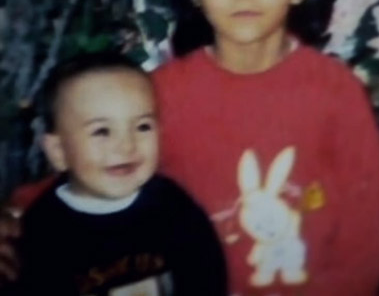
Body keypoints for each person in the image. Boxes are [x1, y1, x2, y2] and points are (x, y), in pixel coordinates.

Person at [0, 0, 379, 296]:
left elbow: (365, 246)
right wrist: (16, 212)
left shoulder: (335, 92)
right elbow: (91, 164)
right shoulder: (161, 94)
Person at [12, 52, 227, 296]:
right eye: (102, 131)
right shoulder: (43, 231)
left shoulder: (173, 206)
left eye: (142, 127)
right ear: (59, 151)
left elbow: (207, 275)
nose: (126, 146)